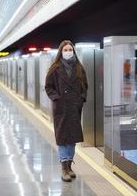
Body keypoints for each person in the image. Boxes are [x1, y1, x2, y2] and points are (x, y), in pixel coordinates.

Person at [45, 40, 88, 182]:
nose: (68, 52)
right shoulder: (55, 68)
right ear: (61, 52)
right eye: (66, 50)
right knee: (63, 139)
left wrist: (81, 99)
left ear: (73, 51)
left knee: (72, 139)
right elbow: (48, 87)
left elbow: (85, 86)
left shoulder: (79, 68)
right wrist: (56, 98)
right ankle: (64, 168)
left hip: (74, 107)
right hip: (61, 108)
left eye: (70, 49)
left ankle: (69, 166)